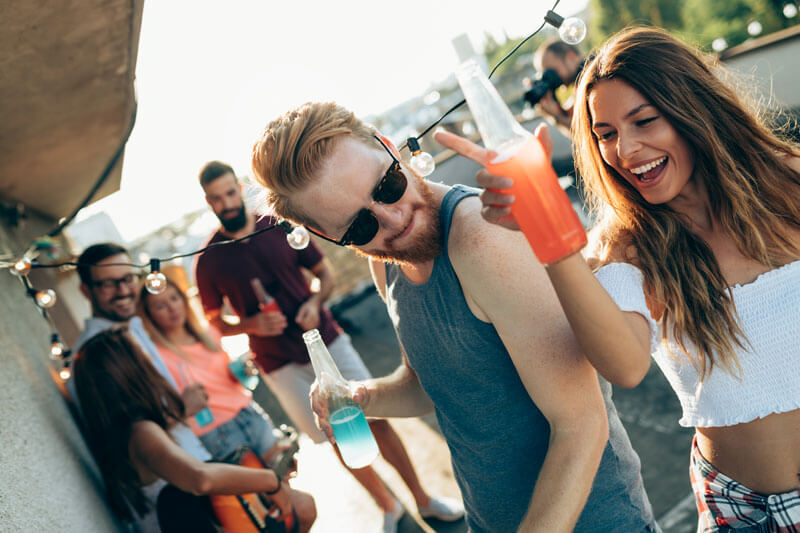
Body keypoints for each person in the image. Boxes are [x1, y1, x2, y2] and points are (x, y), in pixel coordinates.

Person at [250, 101, 658, 532]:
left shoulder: (481, 239)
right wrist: (362, 398)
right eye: (359, 228)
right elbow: (429, 388)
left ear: (391, 147)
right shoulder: (386, 260)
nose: (393, 217)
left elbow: (581, 424)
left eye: (388, 185)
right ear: (326, 236)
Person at [468, 26, 800, 532]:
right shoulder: (626, 245)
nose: (625, 149)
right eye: (605, 135)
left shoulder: (789, 183)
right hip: (739, 510)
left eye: (644, 121)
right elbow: (624, 365)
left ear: (693, 108)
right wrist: (548, 238)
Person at [194, 161, 464, 531]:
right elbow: (214, 323)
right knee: (334, 434)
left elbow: (325, 275)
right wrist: (249, 324)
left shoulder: (276, 224)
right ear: (208, 202)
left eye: (229, 192)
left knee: (377, 415)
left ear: (239, 189)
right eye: (215, 198)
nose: (225, 202)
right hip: (278, 363)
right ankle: (388, 507)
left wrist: (314, 302)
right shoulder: (209, 259)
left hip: (325, 338)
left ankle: (423, 499)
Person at [72, 329, 316, 533]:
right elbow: (201, 479)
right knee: (303, 508)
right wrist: (270, 481)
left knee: (301, 506)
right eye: (141, 357)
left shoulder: (129, 434)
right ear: (130, 372)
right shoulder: (141, 432)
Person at [70, 242, 215, 531]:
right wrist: (181, 408)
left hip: (194, 468)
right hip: (169, 498)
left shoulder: (133, 326)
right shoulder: (94, 355)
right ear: (86, 290)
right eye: (109, 284)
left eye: (127, 279)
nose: (123, 291)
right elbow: (124, 441)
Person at [138, 275, 296, 473]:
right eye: (160, 306)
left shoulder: (210, 333)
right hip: (215, 433)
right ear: (149, 315)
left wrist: (243, 371)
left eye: (174, 298)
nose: (172, 308)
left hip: (248, 413)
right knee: (256, 496)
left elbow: (230, 378)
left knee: (285, 476)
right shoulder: (154, 357)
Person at [531, 38, 586, 135]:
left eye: (552, 72)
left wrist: (558, 117)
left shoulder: (594, 82)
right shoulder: (578, 89)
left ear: (571, 57)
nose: (551, 79)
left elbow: (589, 134)